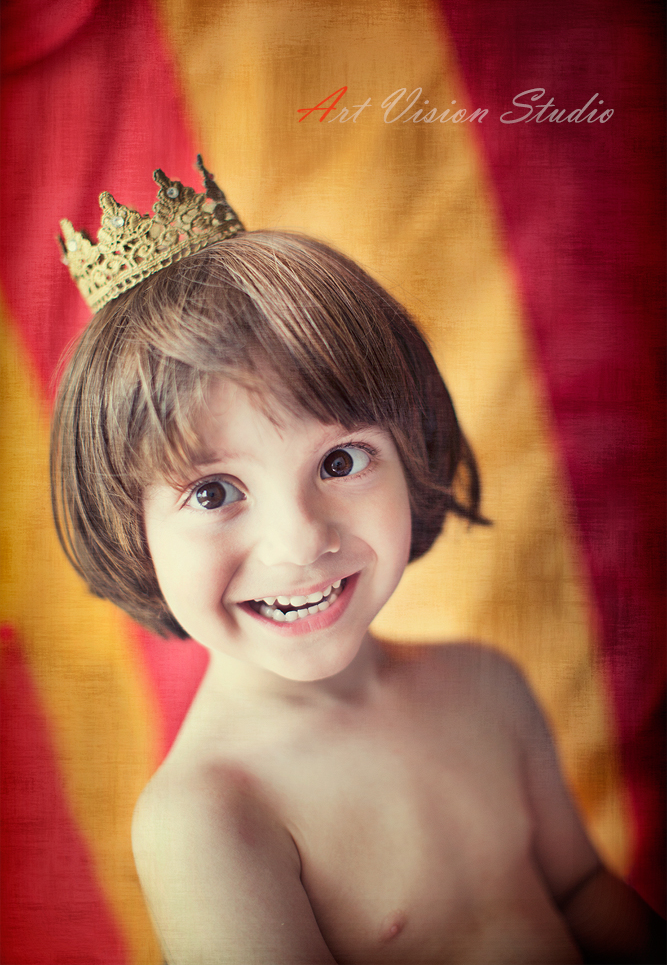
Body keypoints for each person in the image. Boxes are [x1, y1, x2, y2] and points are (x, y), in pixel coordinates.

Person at [51, 159, 664, 964]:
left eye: (339, 462)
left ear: (411, 454)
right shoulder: (212, 818)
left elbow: (579, 891)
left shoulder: (486, 685)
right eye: (211, 494)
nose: (300, 542)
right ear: (125, 530)